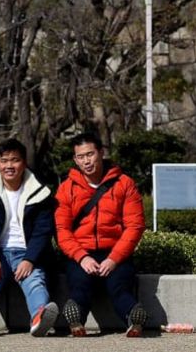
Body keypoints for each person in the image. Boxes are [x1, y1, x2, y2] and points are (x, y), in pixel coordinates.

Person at [54, 132, 147, 338]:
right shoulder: (66, 189)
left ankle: (134, 317)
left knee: (119, 286)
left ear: (101, 153)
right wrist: (81, 257)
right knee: (80, 285)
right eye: (80, 157)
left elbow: (135, 225)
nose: (86, 161)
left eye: (90, 154)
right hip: (81, 252)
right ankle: (76, 317)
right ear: (75, 160)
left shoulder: (124, 183)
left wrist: (114, 259)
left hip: (114, 251)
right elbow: (62, 230)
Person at [0, 138, 58, 337]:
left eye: (14, 160)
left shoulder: (39, 192)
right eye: (4, 160)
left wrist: (30, 259)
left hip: (27, 253)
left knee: (35, 282)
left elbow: (43, 230)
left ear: (24, 163)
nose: (9, 166)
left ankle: (40, 317)